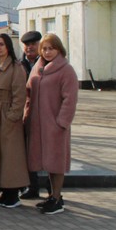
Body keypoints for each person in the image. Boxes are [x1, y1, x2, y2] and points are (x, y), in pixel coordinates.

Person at [25, 33, 78, 215]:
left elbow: (70, 99)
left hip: (55, 126)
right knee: (46, 162)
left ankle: (56, 197)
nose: (47, 52)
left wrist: (61, 122)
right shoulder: (37, 68)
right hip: (38, 125)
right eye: (44, 49)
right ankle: (52, 197)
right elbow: (28, 94)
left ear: (59, 49)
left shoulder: (66, 70)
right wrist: (27, 116)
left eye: (51, 48)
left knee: (57, 163)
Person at [0, 33, 29, 208]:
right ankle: (4, 190)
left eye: (1, 44)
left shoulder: (17, 68)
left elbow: (19, 96)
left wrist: (12, 116)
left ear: (8, 46)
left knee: (11, 156)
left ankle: (13, 193)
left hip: (8, 116)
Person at [19, 30, 44, 200]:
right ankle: (31, 186)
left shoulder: (48, 63)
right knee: (26, 151)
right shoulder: (19, 64)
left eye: (34, 44)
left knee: (47, 153)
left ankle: (53, 192)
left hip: (44, 114)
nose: (30, 48)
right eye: (27, 45)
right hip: (24, 114)